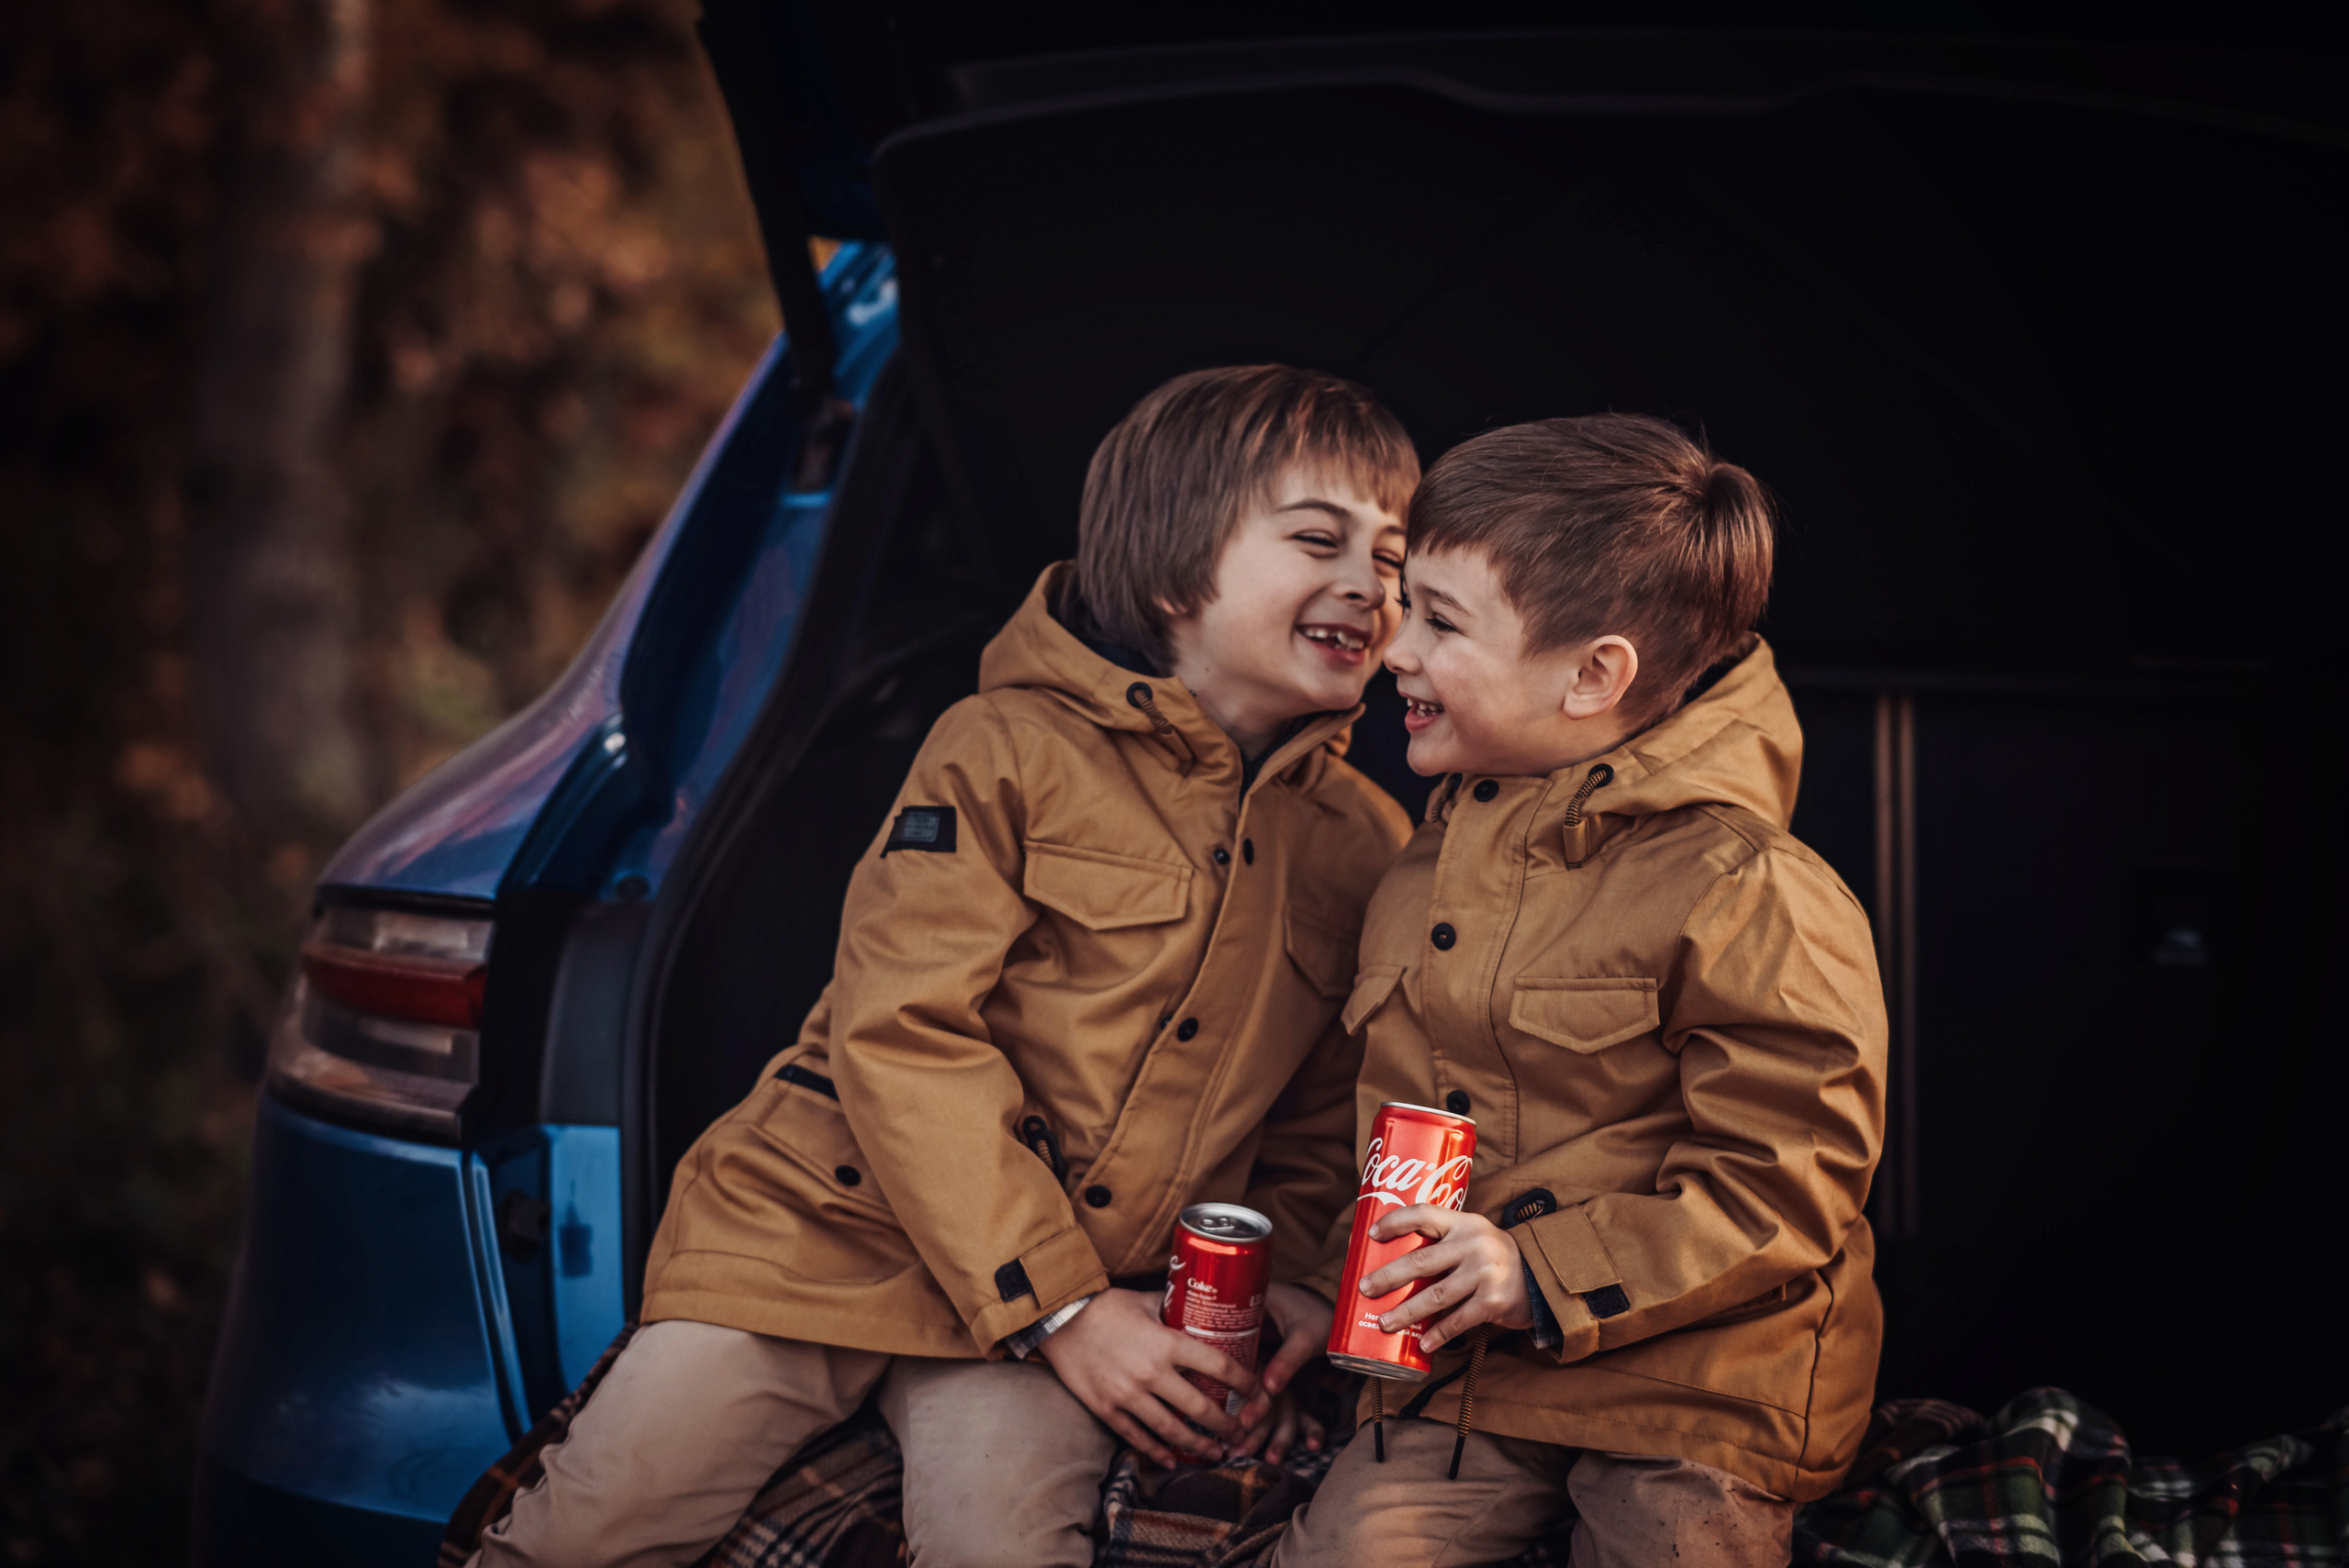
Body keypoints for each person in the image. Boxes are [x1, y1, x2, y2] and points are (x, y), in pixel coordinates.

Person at [471, 364, 1419, 1568]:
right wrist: (1063, 1309)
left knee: (1007, 1546)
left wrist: (1297, 1273)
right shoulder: (1004, 749)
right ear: (1176, 571)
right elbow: (901, 1032)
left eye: (1394, 558)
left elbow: (1322, 1109)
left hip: (1075, 1293)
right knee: (593, 1526)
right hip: (823, 1236)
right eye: (1320, 541)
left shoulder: (1362, 841)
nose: (1369, 583)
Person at [1273, 414, 1887, 1567]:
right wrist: (1321, 1279)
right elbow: (1388, 1141)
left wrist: (1533, 1273)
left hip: (1700, 1391)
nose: (1394, 646)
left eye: (1441, 620)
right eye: (1407, 605)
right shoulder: (1418, 871)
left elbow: (1784, 1187)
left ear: (1593, 675)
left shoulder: (1749, 888)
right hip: (1469, 1383)